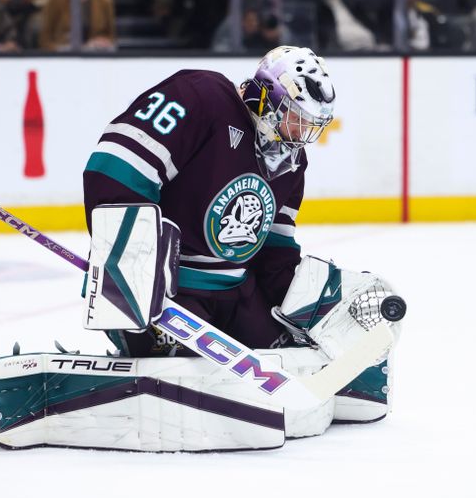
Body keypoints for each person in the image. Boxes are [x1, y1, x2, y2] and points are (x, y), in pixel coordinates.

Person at [83, 46, 335, 357]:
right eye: (295, 118)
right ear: (267, 96)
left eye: (310, 125)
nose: (300, 134)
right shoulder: (201, 97)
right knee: (186, 370)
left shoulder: (292, 163)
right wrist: (132, 265)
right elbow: (115, 167)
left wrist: (311, 304)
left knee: (294, 357)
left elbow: (274, 249)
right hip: (172, 291)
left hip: (238, 294)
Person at [39, 0, 116, 51]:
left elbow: (111, 37)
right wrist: (60, 49)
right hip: (63, 57)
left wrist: (103, 42)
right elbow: (45, 39)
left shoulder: (104, 0)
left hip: (95, 57)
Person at [306, 0, 376, 51]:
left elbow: (372, 26)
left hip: (372, 49)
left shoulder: (350, 1)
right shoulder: (308, 4)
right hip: (340, 55)